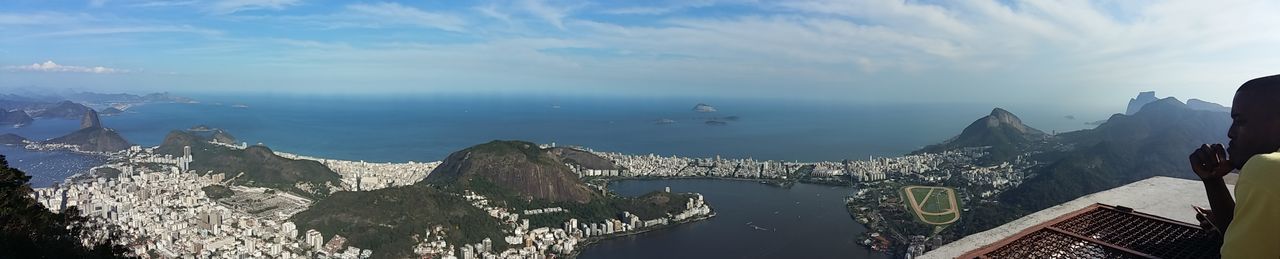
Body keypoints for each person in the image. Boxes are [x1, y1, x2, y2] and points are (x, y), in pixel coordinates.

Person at [1192, 74, 1280, 258]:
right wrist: (1213, 181)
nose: (1230, 133)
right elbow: (1249, 239)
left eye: (1240, 121)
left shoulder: (1266, 169)